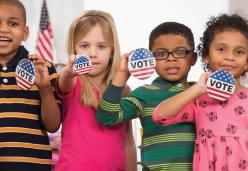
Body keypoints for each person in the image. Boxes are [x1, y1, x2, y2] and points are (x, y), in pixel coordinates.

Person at [152, 14, 248, 171]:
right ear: (206, 56)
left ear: (247, 63)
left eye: (239, 52)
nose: (229, 57)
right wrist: (197, 89)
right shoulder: (199, 99)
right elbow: (160, 116)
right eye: (221, 49)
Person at [96, 22, 197, 170]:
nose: (171, 59)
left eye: (180, 52)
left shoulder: (202, 93)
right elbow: (107, 116)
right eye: (161, 54)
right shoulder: (144, 94)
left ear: (193, 58)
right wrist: (122, 75)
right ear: (151, 59)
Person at [54, 10, 136, 171]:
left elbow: (129, 143)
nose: (92, 53)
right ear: (74, 49)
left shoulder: (124, 89)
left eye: (101, 46)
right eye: (84, 46)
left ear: (112, 50)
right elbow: (63, 82)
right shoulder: (74, 82)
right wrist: (69, 71)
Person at [0, 0, 61, 170]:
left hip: (32, 165)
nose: (4, 29)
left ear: (25, 32)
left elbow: (53, 125)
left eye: (13, 23)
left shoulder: (42, 68)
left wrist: (45, 90)